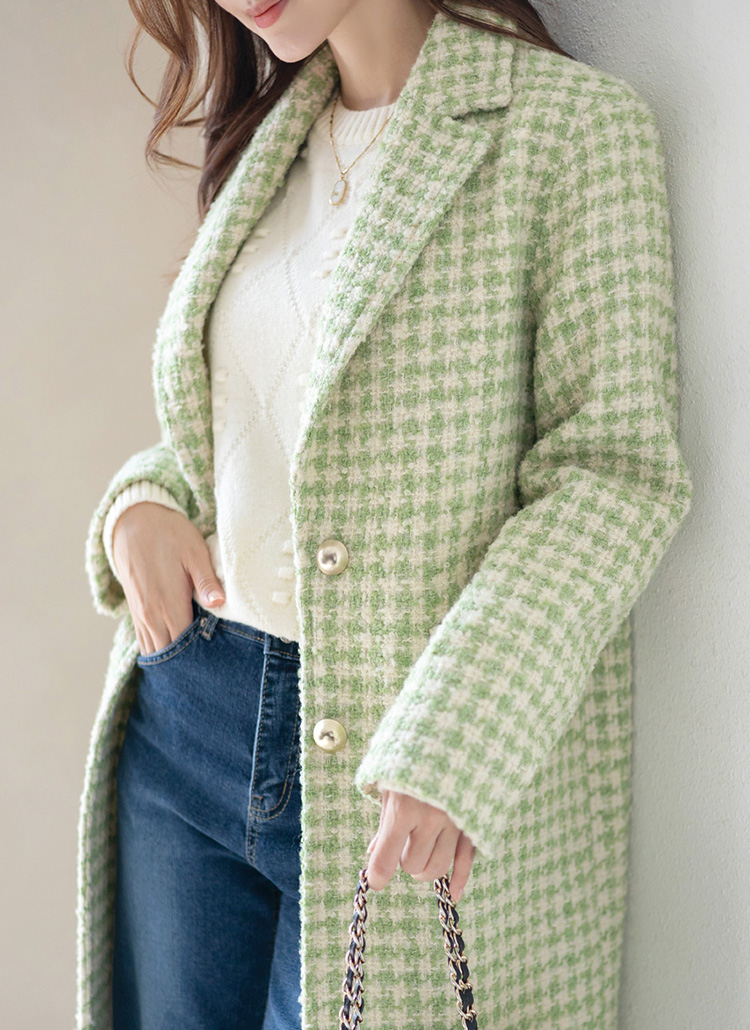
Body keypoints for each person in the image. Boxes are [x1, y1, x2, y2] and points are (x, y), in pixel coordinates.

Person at [77, 2, 694, 1029]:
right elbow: (255, 432)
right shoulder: (274, 135)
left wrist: (461, 731)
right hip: (188, 720)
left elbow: (612, 474)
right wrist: (141, 502)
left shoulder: (571, 129)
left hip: (399, 762)